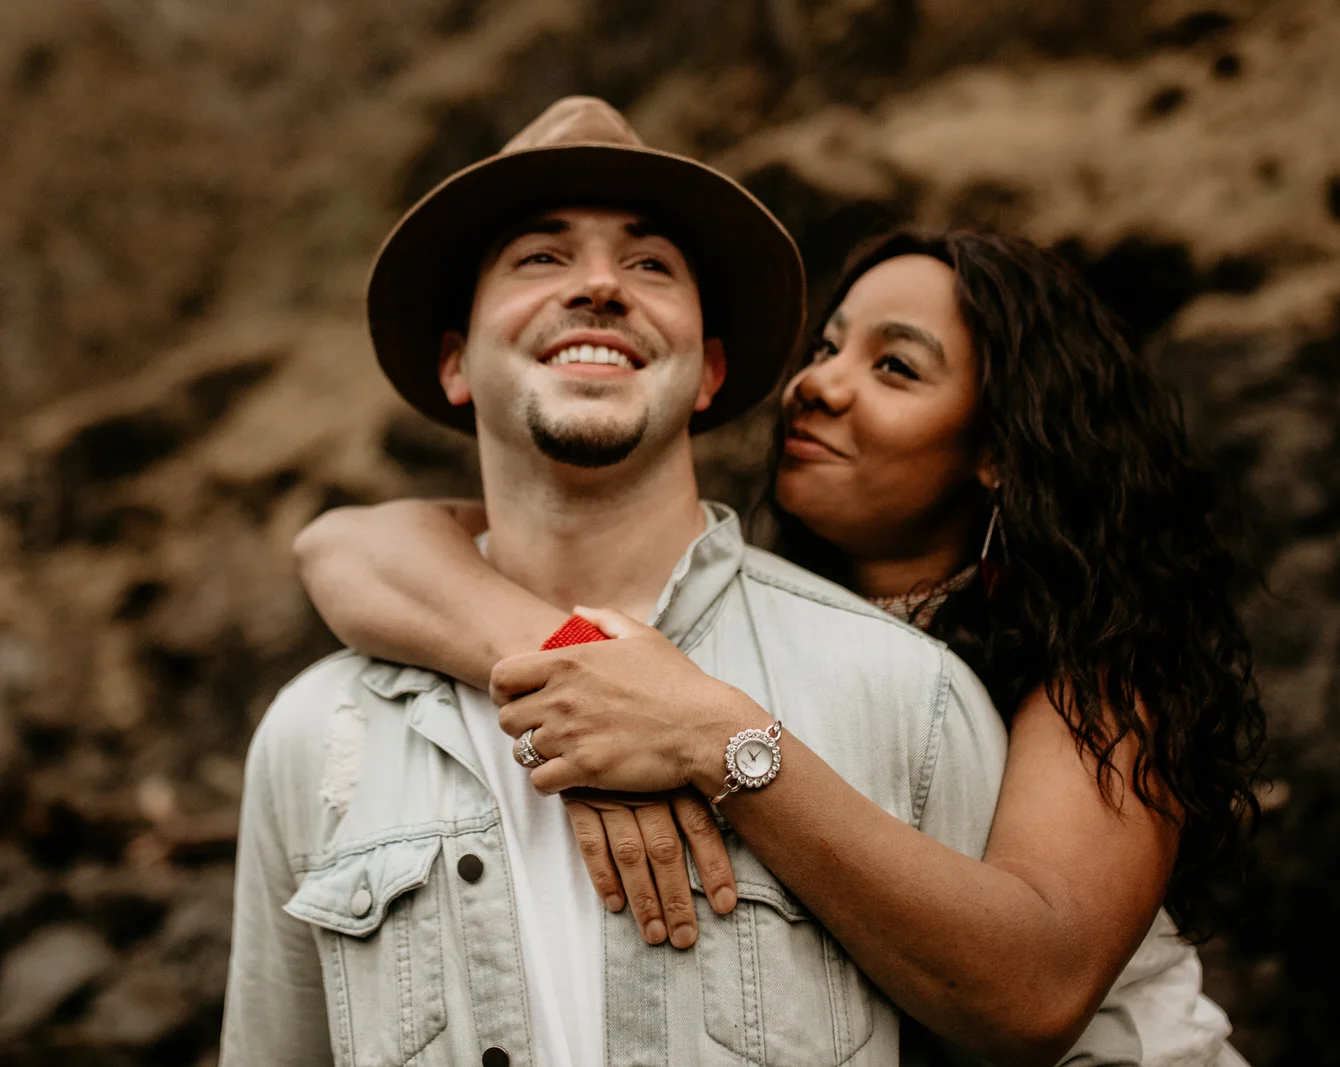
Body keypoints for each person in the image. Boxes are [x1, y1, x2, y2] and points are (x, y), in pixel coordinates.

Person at [295, 223, 1267, 1066]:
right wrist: (571, 658)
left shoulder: (1094, 674)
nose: (817, 385)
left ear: (1000, 448)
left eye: (895, 367)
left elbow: (1034, 991)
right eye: (829, 347)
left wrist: (717, 736)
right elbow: (351, 545)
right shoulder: (762, 616)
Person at [221, 96, 1022, 1067]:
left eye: (649, 264)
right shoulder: (314, 737)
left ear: (711, 370)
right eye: (540, 257)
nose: (600, 284)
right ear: (454, 363)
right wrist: (576, 666)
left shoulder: (910, 701)